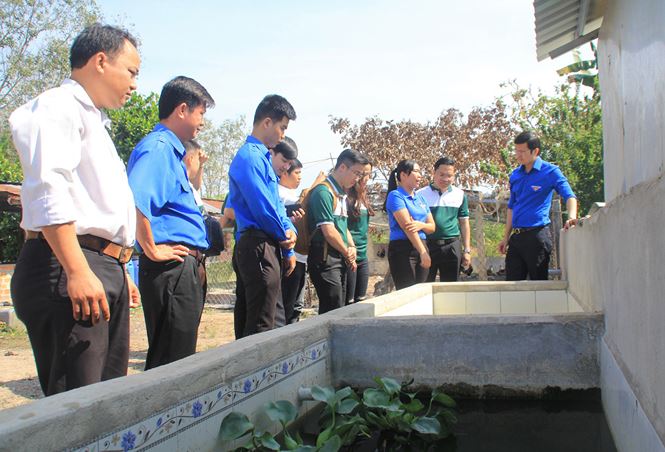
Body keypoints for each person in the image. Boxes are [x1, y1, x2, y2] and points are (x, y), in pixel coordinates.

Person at [8, 24, 141, 395]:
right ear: (100, 61)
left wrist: (117, 267)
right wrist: (77, 270)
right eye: (131, 72)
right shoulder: (57, 106)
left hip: (97, 265)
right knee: (77, 402)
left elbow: (95, 204)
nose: (134, 85)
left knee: (106, 398)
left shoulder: (94, 121)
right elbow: (49, 189)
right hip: (68, 264)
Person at [127, 76, 215, 369]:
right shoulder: (159, 148)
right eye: (200, 113)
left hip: (182, 266)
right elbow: (136, 199)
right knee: (171, 362)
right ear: (182, 110)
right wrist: (151, 248)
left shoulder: (172, 152)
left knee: (180, 355)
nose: (202, 122)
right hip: (171, 267)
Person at [228, 94, 298, 338]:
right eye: (282, 127)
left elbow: (276, 205)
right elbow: (263, 208)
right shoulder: (249, 157)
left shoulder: (263, 158)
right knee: (260, 325)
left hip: (269, 242)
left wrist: (290, 232)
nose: (282, 135)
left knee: (270, 319)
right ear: (267, 122)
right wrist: (284, 236)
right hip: (257, 244)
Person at [498, 131, 578, 280]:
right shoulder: (515, 175)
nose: (518, 155)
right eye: (516, 151)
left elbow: (570, 196)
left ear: (535, 151)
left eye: (522, 151)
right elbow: (511, 207)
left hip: (537, 236)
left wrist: (572, 217)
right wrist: (506, 237)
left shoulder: (551, 171)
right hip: (516, 238)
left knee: (538, 283)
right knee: (512, 285)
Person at [307, 149, 369, 314]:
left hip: (339, 256)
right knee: (332, 307)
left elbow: (342, 226)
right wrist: (347, 252)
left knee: (339, 306)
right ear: (342, 167)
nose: (357, 178)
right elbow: (328, 231)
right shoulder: (323, 192)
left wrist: (352, 246)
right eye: (356, 173)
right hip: (325, 258)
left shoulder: (340, 193)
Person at [417, 157, 471, 282]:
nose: (445, 179)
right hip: (427, 246)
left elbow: (464, 223)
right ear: (434, 173)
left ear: (454, 176)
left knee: (451, 287)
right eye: (441, 174)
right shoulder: (420, 195)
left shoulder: (460, 195)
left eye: (449, 175)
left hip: (452, 246)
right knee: (424, 285)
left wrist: (467, 250)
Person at [385, 160, 435, 290]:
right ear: (403, 175)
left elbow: (432, 227)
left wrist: (420, 225)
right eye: (416, 171)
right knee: (407, 292)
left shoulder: (420, 198)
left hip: (422, 245)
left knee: (422, 291)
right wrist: (423, 252)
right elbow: (408, 227)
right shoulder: (395, 196)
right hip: (402, 249)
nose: (420, 175)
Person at [278, 155, 307, 324]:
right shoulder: (279, 193)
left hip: (300, 256)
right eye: (297, 173)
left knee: (296, 304)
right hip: (288, 254)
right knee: (287, 302)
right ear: (285, 173)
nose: (300, 177)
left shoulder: (292, 194)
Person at [182, 140, 209, 302]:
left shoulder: (189, 187)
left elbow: (196, 186)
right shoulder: (178, 183)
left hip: (198, 258)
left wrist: (201, 165)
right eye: (198, 160)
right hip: (186, 258)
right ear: (190, 159)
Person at [345, 161, 374, 303]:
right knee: (348, 303)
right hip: (349, 255)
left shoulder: (363, 196)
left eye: (369, 174)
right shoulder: (345, 197)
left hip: (362, 256)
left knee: (361, 301)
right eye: (363, 174)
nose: (366, 178)